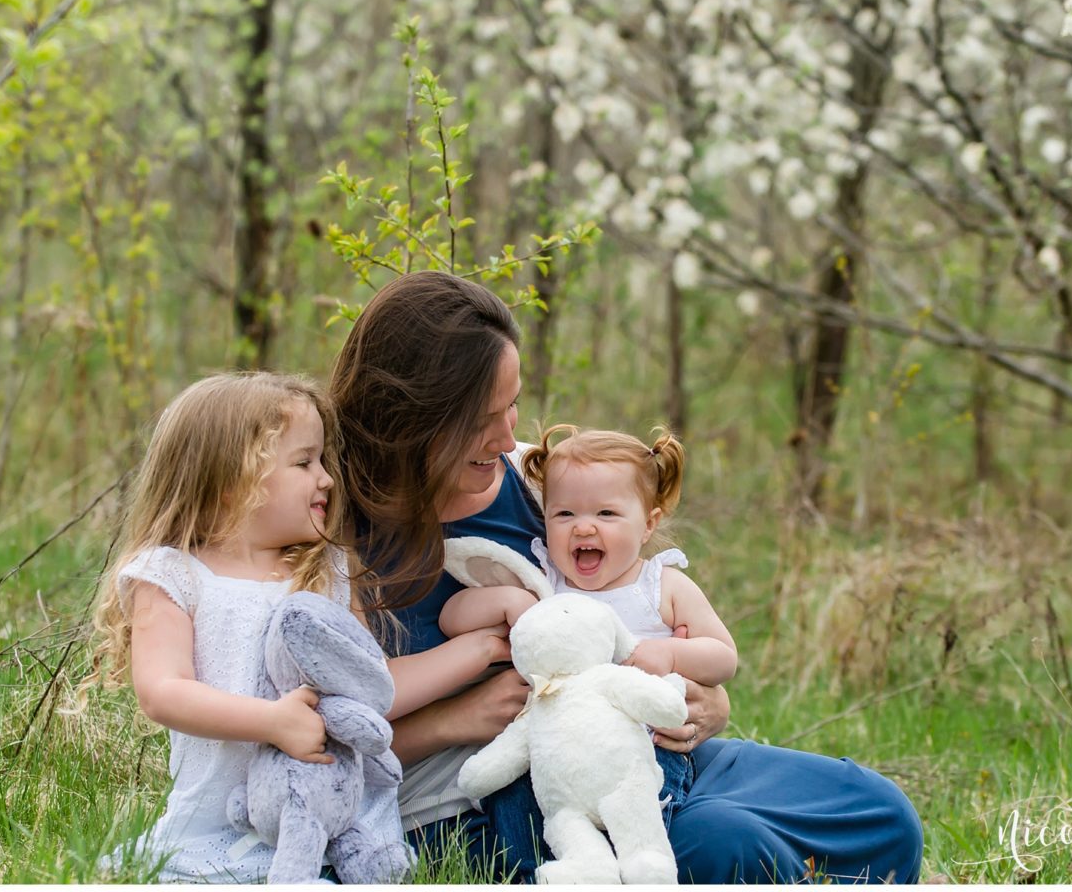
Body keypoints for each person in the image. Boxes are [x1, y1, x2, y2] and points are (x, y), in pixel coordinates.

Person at [329, 273, 925, 884]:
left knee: (878, 813)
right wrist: (459, 719)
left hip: (638, 750)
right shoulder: (334, 539)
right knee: (731, 846)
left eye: (511, 405)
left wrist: (702, 704)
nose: (509, 436)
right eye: (484, 418)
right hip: (485, 801)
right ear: (415, 417)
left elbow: (646, 610)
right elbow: (309, 745)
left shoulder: (537, 481)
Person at [91, 372, 400, 884]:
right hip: (216, 823)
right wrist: (272, 721)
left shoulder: (327, 572)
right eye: (304, 462)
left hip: (329, 814)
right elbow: (163, 692)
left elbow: (370, 681)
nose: (326, 478)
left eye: (322, 460)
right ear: (232, 482)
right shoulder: (173, 575)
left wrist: (477, 650)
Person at [439, 423, 738, 840]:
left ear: (648, 524)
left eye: (606, 513)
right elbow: (451, 618)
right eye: (565, 514)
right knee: (514, 804)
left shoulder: (660, 585)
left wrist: (671, 653)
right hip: (552, 749)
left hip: (643, 744)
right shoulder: (544, 581)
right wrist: (507, 602)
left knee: (634, 821)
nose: (583, 527)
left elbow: (724, 656)